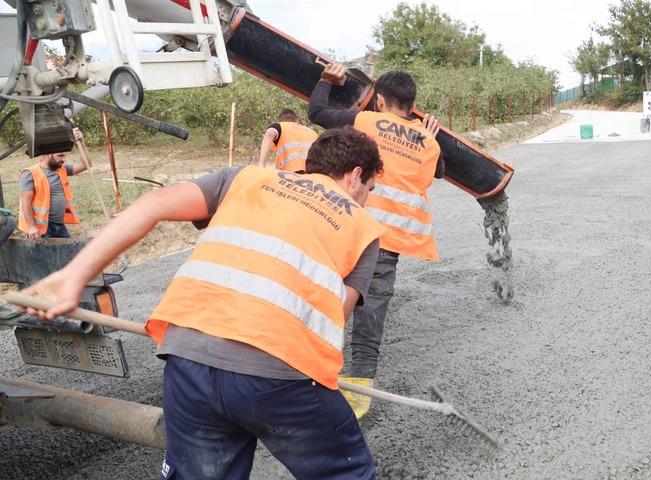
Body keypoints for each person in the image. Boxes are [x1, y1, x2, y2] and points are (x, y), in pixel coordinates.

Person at [21, 126, 385, 480]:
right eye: (370, 188)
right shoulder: (362, 226)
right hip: (282, 375)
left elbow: (153, 204)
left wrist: (73, 277)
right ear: (356, 176)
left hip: (189, 359)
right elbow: (334, 317)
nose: (366, 197)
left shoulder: (248, 178)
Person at [308, 63, 443, 419]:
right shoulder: (429, 142)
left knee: (319, 294)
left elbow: (318, 113)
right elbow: (438, 171)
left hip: (348, 229)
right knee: (370, 315)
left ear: (380, 101)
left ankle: (302, 369)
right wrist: (429, 134)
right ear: (412, 105)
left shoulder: (366, 122)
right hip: (388, 242)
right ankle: (359, 394)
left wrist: (326, 81)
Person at [18, 127, 89, 238]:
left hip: (59, 226)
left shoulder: (61, 169)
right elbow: (25, 203)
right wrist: (31, 227)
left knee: (67, 253)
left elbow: (86, 164)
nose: (63, 159)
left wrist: (81, 142)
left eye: (64, 155)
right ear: (48, 154)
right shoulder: (30, 174)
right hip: (41, 228)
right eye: (60, 155)